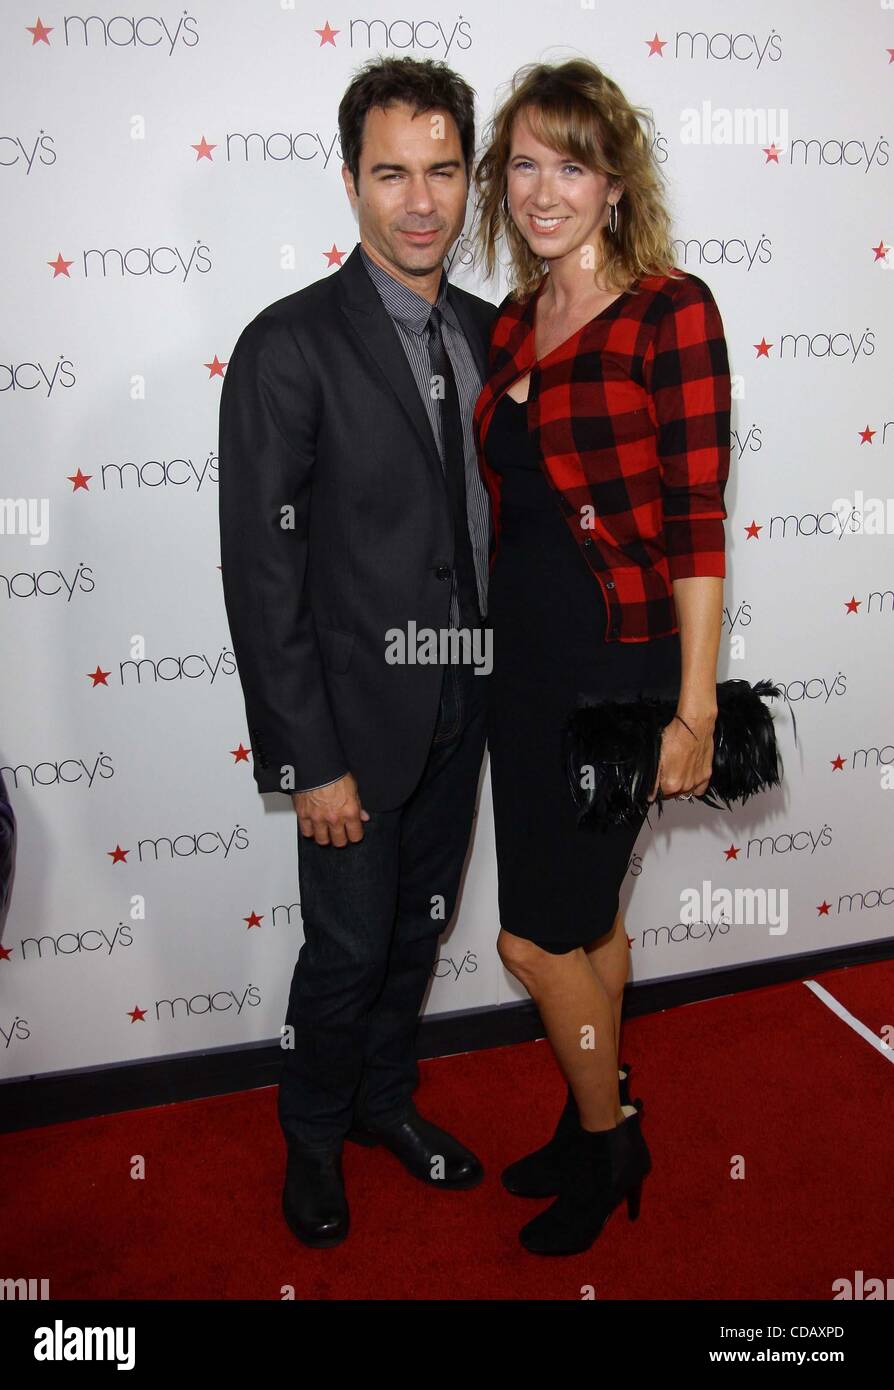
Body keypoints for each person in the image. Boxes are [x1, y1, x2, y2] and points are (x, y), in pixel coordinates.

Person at [218, 56, 497, 1248]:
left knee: (418, 930)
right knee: (341, 954)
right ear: (350, 182)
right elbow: (260, 572)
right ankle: (313, 1140)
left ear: (469, 179)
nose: (420, 200)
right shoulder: (286, 346)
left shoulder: (492, 334)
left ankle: (387, 1104)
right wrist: (306, 760)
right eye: (393, 173)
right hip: (348, 733)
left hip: (464, 708)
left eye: (442, 170)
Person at [470, 58, 732, 1256]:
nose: (542, 188)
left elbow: (695, 523)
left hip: (615, 671)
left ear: (615, 183)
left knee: (533, 938)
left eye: (569, 163)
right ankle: (590, 1125)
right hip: (521, 667)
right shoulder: (519, 317)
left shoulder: (670, 310)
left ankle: (610, 1129)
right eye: (522, 163)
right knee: (587, 925)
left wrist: (692, 711)